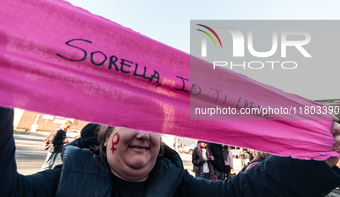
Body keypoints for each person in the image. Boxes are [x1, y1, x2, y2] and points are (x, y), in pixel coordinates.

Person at [2, 106, 340, 197]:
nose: (143, 134)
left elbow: (244, 192)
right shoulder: (62, 180)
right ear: (107, 139)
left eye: (151, 126)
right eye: (130, 123)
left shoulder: (180, 185)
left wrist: (317, 159)